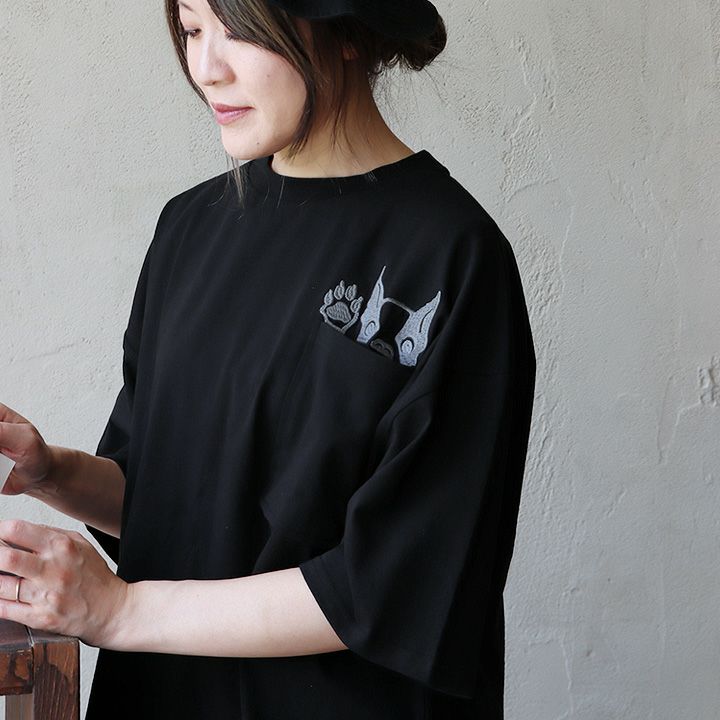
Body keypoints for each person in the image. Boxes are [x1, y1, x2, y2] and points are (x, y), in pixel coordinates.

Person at [0, 0, 537, 717]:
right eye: (193, 29)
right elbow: (176, 505)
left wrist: (120, 611)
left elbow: (397, 582)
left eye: (240, 30)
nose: (205, 68)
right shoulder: (189, 229)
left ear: (347, 31)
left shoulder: (454, 258)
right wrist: (52, 473)